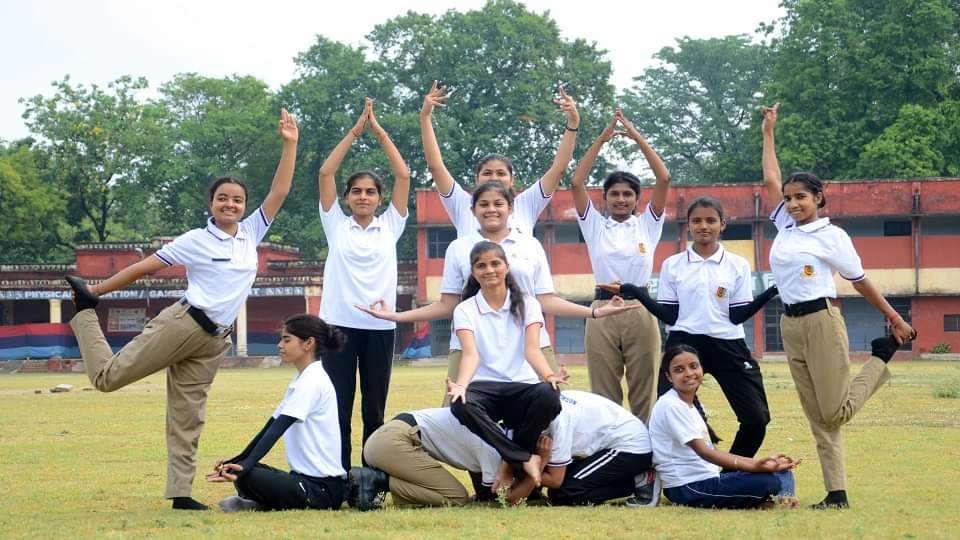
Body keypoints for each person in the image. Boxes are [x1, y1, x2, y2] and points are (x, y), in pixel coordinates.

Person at [63, 109, 299, 511]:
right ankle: (83, 314)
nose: (231, 204)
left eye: (237, 199)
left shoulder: (251, 233)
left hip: (212, 342)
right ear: (211, 203)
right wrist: (96, 291)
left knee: (187, 418)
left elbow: (279, 191)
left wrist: (289, 144)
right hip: (183, 324)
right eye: (223, 198)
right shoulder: (195, 239)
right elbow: (144, 266)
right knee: (107, 379)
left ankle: (181, 494)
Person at [760, 103, 916, 509]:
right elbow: (770, 178)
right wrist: (769, 133)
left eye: (802, 198)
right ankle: (837, 494)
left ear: (819, 198)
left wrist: (894, 317)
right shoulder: (786, 226)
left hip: (821, 320)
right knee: (819, 417)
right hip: (789, 324)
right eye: (790, 198)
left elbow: (859, 280)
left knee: (833, 412)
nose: (793, 204)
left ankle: (881, 358)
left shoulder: (833, 237)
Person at [357, 183, 639, 404]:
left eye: (498, 204)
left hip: (531, 344)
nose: (491, 209)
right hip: (471, 346)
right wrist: (395, 315)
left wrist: (594, 311)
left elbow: (546, 300)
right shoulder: (459, 247)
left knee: (553, 409)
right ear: (473, 210)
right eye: (484, 204)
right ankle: (484, 479)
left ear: (510, 208)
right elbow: (447, 306)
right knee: (458, 412)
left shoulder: (530, 245)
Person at [601, 197, 778, 458]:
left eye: (710, 220)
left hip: (728, 343)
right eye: (696, 221)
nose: (703, 226)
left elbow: (737, 315)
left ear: (722, 225)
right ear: (688, 226)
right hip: (684, 344)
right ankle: (680, 472)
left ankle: (730, 473)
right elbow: (669, 315)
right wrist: (633, 291)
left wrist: (771, 292)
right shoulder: (673, 265)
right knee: (666, 411)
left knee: (756, 419)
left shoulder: (737, 265)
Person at [317, 98, 411, 472]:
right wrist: (355, 131)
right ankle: (337, 476)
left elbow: (403, 175)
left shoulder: (391, 224)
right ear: (346, 197)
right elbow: (325, 173)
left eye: (370, 192)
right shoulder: (336, 224)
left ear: (380, 198)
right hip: (337, 328)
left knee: (374, 410)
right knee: (337, 407)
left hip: (379, 327)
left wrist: (380, 132)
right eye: (356, 191)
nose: (363, 197)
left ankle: (370, 478)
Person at [570, 109, 671, 422]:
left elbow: (664, 177)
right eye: (614, 194)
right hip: (601, 309)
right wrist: (602, 139)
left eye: (628, 194)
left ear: (637, 198)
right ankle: (613, 455)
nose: (621, 199)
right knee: (604, 394)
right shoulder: (595, 226)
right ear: (605, 198)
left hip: (640, 308)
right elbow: (576, 182)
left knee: (645, 391)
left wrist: (635, 135)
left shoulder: (647, 225)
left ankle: (646, 460)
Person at [447, 241, 565, 487]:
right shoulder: (464, 309)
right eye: (481, 266)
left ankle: (508, 464)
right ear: (473, 272)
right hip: (486, 388)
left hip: (521, 386)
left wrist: (548, 375)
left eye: (495, 264)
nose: (489, 270)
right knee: (459, 404)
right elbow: (470, 355)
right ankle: (523, 458)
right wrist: (461, 385)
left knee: (549, 394)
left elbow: (532, 349)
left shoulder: (529, 304)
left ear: (507, 267)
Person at [206, 314, 347, 512]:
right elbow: (269, 427)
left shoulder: (313, 381)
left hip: (322, 490)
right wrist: (238, 461)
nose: (280, 345)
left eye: (287, 340)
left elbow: (277, 431)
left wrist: (245, 467)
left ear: (308, 343)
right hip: (302, 480)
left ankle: (260, 505)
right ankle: (262, 502)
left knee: (248, 475)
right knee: (245, 471)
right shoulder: (302, 380)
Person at [420, 80, 579, 237]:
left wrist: (573, 123)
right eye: (487, 173)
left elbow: (558, 169)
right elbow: (436, 167)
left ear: (512, 180)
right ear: (477, 179)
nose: (494, 178)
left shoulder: (525, 204)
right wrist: (425, 117)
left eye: (501, 173)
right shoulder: (462, 205)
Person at [650, 345, 799, 509]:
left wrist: (762, 465)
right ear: (669, 377)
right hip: (689, 488)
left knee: (781, 471)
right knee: (769, 481)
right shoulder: (672, 406)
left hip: (709, 479)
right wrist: (756, 466)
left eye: (693, 366)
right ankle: (778, 499)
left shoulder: (690, 404)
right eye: (679, 370)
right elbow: (705, 452)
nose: (689, 373)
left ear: (702, 368)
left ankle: (776, 500)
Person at [504, 390, 657, 508]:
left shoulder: (559, 423)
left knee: (565, 494)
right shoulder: (526, 414)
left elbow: (555, 480)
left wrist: (540, 462)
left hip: (630, 447)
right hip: (605, 443)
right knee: (558, 490)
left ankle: (637, 480)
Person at [351, 407, 502, 510]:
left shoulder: (491, 428)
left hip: (387, 439)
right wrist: (527, 483)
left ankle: (366, 483)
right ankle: (374, 481)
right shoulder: (493, 448)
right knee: (457, 497)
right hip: (393, 442)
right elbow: (495, 496)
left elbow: (483, 493)